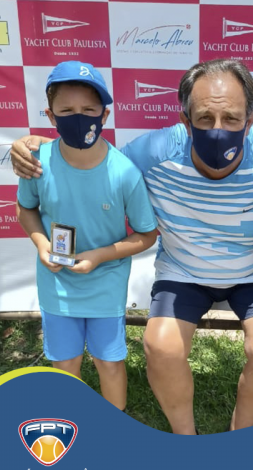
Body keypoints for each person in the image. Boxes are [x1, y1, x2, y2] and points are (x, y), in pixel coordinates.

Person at [11, 58, 253, 434]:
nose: (218, 129)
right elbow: (94, 159)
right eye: (205, 118)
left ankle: (239, 436)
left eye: (232, 118)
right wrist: (43, 145)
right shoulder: (153, 151)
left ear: (250, 120)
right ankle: (186, 439)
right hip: (183, 272)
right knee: (161, 347)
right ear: (185, 120)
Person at [16, 61, 158, 411]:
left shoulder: (125, 173)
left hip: (105, 286)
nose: (78, 118)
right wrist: (42, 244)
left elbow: (147, 234)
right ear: (51, 116)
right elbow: (25, 209)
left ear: (104, 115)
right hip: (57, 286)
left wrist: (100, 255)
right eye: (66, 111)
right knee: (65, 365)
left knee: (109, 363)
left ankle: (113, 429)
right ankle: (73, 428)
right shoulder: (37, 162)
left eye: (89, 110)